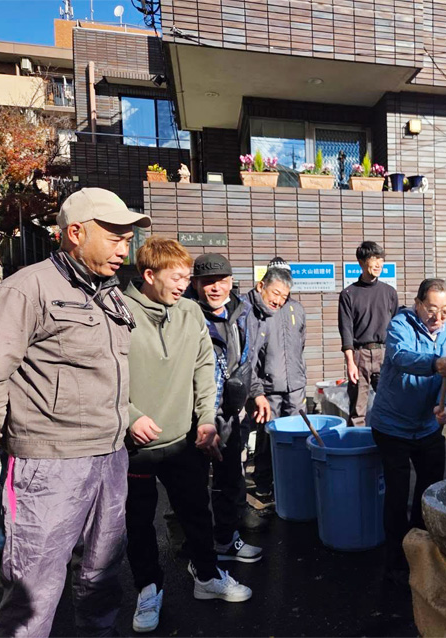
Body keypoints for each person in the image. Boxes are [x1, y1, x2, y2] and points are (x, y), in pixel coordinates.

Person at [0, 187, 149, 637]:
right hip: (48, 464)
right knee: (34, 590)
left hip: (110, 457)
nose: (124, 250)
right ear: (75, 233)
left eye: (127, 240)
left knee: (101, 577)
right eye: (115, 238)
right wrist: (15, 436)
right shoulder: (26, 289)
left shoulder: (110, 294)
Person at [124, 238, 253, 634]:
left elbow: (203, 368)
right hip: (135, 445)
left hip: (183, 440)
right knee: (138, 523)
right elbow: (101, 373)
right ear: (149, 275)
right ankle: (148, 588)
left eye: (186, 278)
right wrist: (128, 416)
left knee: (197, 512)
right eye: (177, 277)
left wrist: (206, 419)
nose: (185, 285)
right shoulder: (118, 311)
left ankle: (208, 576)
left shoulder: (190, 312)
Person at [369, 278, 446, 582]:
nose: (438, 317)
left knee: (431, 490)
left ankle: (422, 549)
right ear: (418, 304)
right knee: (397, 493)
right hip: (392, 426)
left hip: (427, 426)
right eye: (432, 309)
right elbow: (400, 357)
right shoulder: (401, 324)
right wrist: (435, 363)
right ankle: (395, 560)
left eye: (445, 310)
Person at [189, 253, 270, 557]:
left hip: (231, 413)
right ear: (195, 284)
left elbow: (245, 363)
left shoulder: (241, 312)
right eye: (207, 282)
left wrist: (256, 393)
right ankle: (196, 550)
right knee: (193, 488)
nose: (215, 288)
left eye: (221, 281)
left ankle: (224, 540)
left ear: (231, 281)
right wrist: (203, 416)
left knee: (229, 479)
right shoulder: (186, 314)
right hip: (195, 415)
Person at [338, 241, 400, 427]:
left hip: (385, 352)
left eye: (381, 259)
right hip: (360, 355)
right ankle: (357, 443)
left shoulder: (389, 292)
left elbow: (397, 327)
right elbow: (346, 330)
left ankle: (389, 441)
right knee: (357, 410)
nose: (379, 264)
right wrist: (350, 362)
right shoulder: (348, 294)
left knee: (391, 404)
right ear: (361, 262)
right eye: (374, 259)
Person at [246, 267, 290, 502]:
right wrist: (257, 391)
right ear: (261, 286)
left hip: (257, 387)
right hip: (251, 388)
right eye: (276, 293)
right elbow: (244, 360)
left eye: (284, 297)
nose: (279, 301)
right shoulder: (246, 312)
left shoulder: (265, 313)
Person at [260, 258, 308, 418]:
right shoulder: (259, 309)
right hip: (269, 386)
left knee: (298, 427)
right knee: (269, 429)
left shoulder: (297, 308)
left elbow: (301, 343)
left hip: (296, 385)